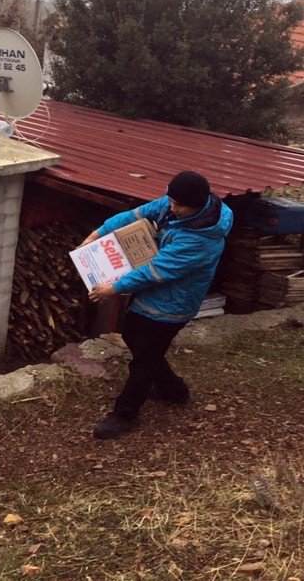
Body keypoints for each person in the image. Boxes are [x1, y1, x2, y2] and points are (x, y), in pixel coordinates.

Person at [82, 171, 233, 439]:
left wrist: (113, 289)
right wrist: (98, 233)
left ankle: (124, 414)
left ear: (197, 205)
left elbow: (155, 271)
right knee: (132, 335)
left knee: (144, 360)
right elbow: (136, 215)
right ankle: (173, 390)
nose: (171, 207)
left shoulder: (201, 240)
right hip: (152, 294)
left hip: (173, 303)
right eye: (170, 200)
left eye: (178, 205)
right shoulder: (174, 203)